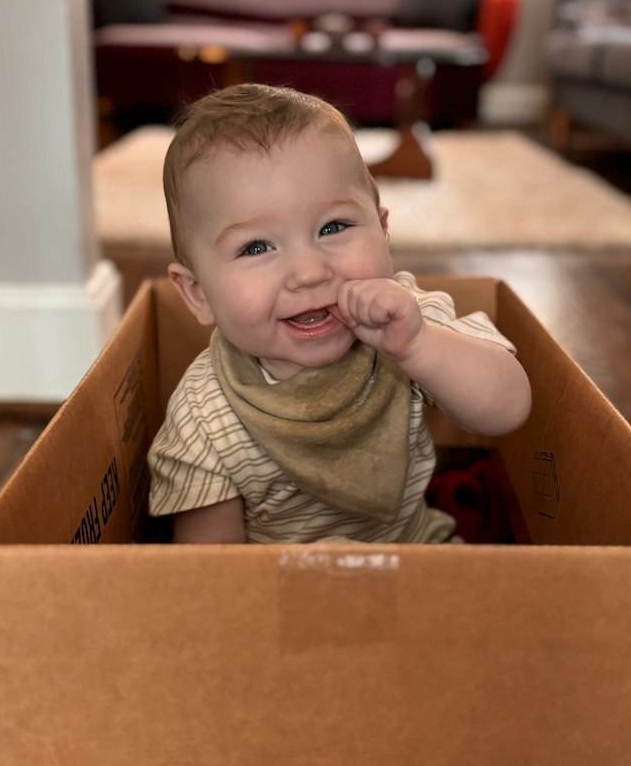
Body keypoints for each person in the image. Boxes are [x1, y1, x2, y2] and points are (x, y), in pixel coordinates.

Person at [148, 84, 532, 545]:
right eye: (256, 247)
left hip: (422, 570)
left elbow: (509, 409)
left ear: (383, 230)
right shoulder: (204, 417)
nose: (309, 273)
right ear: (197, 294)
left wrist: (419, 346)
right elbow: (214, 578)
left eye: (333, 227)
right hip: (286, 601)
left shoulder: (405, 320)